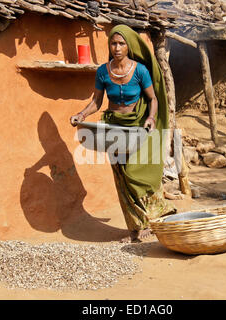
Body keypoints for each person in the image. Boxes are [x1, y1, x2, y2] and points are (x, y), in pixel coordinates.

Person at [70, 25, 176, 242]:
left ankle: (157, 216)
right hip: (114, 128)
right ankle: (135, 228)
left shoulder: (140, 71)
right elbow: (97, 101)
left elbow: (152, 99)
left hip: (137, 126)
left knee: (137, 172)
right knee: (122, 177)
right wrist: (81, 115)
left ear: (129, 46)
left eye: (121, 43)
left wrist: (151, 118)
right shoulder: (103, 71)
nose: (117, 48)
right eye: (113, 43)